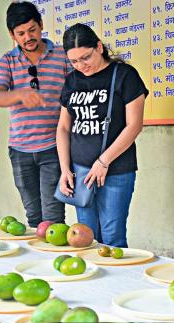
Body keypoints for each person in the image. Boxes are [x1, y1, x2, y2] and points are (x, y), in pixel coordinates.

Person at [57, 23, 148, 247]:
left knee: (112, 237)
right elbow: (63, 128)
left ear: (99, 47)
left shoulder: (124, 75)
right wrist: (65, 169)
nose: (81, 65)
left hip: (116, 170)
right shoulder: (72, 80)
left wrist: (103, 161)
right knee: (85, 237)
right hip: (80, 172)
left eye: (85, 57)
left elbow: (134, 125)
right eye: (74, 61)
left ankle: (120, 283)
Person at [0, 1, 71, 228]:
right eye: (21, 33)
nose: (28, 37)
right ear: (12, 35)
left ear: (41, 25)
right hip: (20, 150)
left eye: (32, 30)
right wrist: (20, 94)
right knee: (34, 217)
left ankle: (58, 260)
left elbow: (76, 91)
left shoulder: (62, 56)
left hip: (53, 148)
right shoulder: (7, 60)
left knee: (53, 217)